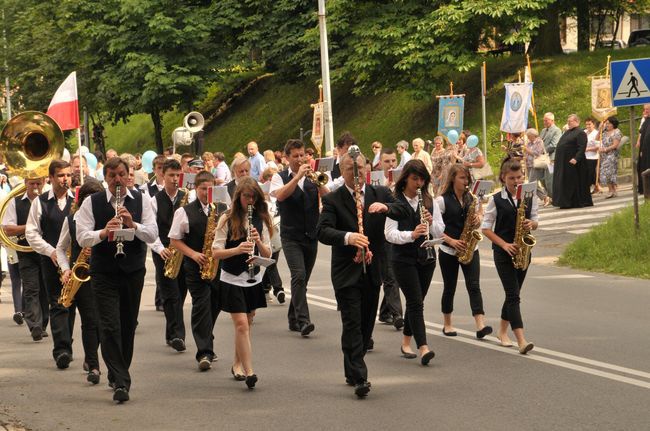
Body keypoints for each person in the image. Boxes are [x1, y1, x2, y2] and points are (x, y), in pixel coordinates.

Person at [317, 150, 409, 398]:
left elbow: (403, 211)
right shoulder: (333, 199)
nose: (355, 174)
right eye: (349, 169)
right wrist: (347, 237)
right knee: (353, 322)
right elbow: (323, 231)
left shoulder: (379, 193)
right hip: (347, 272)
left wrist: (387, 207)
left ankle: (351, 367)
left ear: (367, 169)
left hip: (373, 269)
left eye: (359, 168)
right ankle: (360, 377)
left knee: (367, 325)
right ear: (342, 171)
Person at [76, 156, 158, 403]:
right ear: (106, 178)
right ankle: (122, 381)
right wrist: (103, 232)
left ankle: (116, 371)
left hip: (132, 271)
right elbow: (82, 236)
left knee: (127, 325)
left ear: (128, 174)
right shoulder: (92, 202)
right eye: (112, 176)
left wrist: (133, 226)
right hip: (104, 273)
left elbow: (153, 234)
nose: (117, 180)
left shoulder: (142, 200)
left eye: (121, 174)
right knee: (109, 325)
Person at [212, 177, 273, 389]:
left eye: (254, 197)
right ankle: (250, 372)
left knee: (248, 321)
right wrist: (237, 250)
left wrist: (257, 241)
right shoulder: (227, 219)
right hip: (231, 277)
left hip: (253, 277)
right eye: (246, 196)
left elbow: (268, 252)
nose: (250, 201)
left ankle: (237, 363)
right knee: (241, 325)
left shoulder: (261, 218)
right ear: (239, 197)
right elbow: (216, 252)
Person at [385, 160, 444, 364]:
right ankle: (424, 347)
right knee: (416, 302)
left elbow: (440, 230)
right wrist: (412, 234)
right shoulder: (394, 200)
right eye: (414, 179)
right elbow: (390, 234)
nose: (418, 183)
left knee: (415, 302)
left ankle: (406, 341)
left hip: (426, 257)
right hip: (403, 258)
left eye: (421, 179)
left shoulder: (429, 200)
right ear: (406, 179)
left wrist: (430, 223)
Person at [270, 139, 329, 336]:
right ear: (286, 158)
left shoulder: (313, 176)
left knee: (303, 280)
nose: (299, 159)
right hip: (290, 235)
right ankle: (304, 321)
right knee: (299, 275)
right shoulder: (280, 177)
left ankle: (293, 317)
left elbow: (328, 197)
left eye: (302, 155)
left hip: (311, 234)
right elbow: (280, 196)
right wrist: (296, 178)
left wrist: (318, 183)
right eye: (295, 156)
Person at [481, 158, 537, 355]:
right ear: (503, 178)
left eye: (519, 177)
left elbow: (536, 220)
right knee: (513, 296)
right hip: (504, 252)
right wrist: (504, 244)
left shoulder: (529, 195)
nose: (516, 181)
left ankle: (502, 331)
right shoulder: (496, 199)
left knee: (513, 294)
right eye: (511, 178)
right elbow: (486, 229)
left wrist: (532, 224)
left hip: (523, 251)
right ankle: (521, 340)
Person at [168, 170, 220, 372]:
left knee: (216, 303)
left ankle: (208, 335)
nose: (207, 193)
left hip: (217, 265)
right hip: (195, 265)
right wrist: (193, 254)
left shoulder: (221, 208)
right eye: (203, 189)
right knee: (201, 306)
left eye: (210, 189)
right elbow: (174, 240)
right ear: (196, 189)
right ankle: (204, 352)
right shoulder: (184, 212)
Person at [25, 160, 75, 369]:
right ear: (51, 179)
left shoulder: (78, 200)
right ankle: (62, 350)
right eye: (61, 175)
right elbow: (31, 232)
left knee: (72, 305)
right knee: (57, 303)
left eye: (68, 175)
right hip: (51, 260)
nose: (66, 179)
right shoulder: (40, 202)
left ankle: (67, 342)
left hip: (77, 261)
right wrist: (50, 251)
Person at [56, 180, 105, 384]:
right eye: (87, 200)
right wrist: (66, 269)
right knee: (90, 321)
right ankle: (93, 365)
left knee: (102, 323)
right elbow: (60, 247)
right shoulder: (72, 219)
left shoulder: (105, 218)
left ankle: (90, 357)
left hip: (104, 273)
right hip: (82, 274)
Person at [435, 164, 492, 339]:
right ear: (453, 178)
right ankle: (447, 324)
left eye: (467, 178)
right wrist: (451, 241)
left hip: (470, 247)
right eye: (462, 178)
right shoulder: (441, 201)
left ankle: (480, 324)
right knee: (449, 287)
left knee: (474, 286)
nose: (466, 181)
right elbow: (434, 229)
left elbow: (480, 215)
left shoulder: (471, 198)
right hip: (448, 250)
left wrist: (478, 218)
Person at [148, 159, 188, 352]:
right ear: (162, 176)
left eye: (177, 175)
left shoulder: (187, 197)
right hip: (163, 251)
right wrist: (159, 248)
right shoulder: (154, 200)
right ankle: (177, 336)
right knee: (171, 294)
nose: (174, 179)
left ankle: (170, 332)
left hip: (183, 250)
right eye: (171, 175)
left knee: (181, 292)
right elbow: (150, 229)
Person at [1, 177, 49, 341]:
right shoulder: (15, 202)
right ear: (26, 183)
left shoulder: (48, 200)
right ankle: (35, 325)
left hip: (46, 251)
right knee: (31, 288)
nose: (35, 187)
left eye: (38, 183)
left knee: (45, 289)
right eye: (32, 183)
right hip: (26, 251)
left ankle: (43, 324)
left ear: (43, 183)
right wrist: (31, 227)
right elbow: (8, 228)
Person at [377, 148, 404, 329]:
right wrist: (386, 186)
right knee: (390, 275)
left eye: (394, 161)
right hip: (381, 233)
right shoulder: (376, 181)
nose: (391, 164)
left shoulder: (403, 181)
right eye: (387, 161)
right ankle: (397, 315)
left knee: (397, 275)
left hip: (399, 232)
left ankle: (386, 311)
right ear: (380, 163)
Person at [552, 114, 593, 209]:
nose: (568, 123)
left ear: (576, 122)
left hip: (573, 162)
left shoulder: (580, 133)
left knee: (573, 183)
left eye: (570, 121)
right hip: (563, 163)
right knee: (564, 182)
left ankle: (574, 202)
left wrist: (576, 158)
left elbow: (582, 147)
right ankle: (564, 202)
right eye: (568, 121)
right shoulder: (567, 132)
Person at [524, 128, 550, 205]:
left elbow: (538, 153)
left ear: (533, 135)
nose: (528, 138)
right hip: (529, 165)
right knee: (533, 184)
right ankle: (545, 197)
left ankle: (544, 197)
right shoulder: (529, 143)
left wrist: (527, 150)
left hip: (536, 165)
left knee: (531, 183)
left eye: (529, 136)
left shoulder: (539, 141)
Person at [599, 116, 623, 199]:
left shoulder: (617, 132)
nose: (607, 124)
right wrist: (600, 128)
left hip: (612, 154)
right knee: (608, 172)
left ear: (613, 124)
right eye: (606, 123)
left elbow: (615, 145)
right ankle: (613, 190)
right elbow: (597, 138)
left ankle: (610, 190)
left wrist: (605, 149)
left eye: (608, 123)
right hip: (604, 155)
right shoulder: (604, 132)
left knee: (608, 172)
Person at [540, 112, 562, 199]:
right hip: (542, 159)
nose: (544, 122)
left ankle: (554, 197)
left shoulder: (557, 130)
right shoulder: (543, 130)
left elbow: (554, 145)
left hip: (551, 158)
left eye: (546, 120)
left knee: (550, 179)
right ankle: (550, 196)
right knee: (542, 178)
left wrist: (542, 151)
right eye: (543, 120)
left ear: (552, 120)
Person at [637, 104, 650, 195]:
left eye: (648, 109)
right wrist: (642, 150)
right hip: (645, 151)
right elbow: (642, 135)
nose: (646, 111)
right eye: (645, 109)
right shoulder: (646, 121)